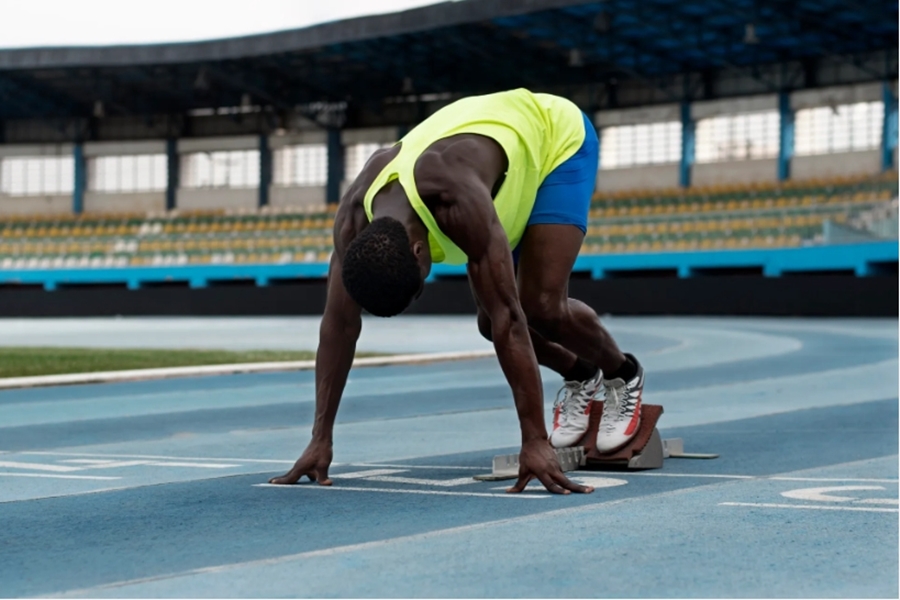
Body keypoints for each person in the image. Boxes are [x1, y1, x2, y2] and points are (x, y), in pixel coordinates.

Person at [270, 88, 644, 495]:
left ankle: (623, 375)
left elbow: (510, 319)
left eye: (418, 290)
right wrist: (320, 437)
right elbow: (338, 326)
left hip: (554, 140)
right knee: (486, 323)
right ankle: (580, 375)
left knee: (538, 307)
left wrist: (533, 441)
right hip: (487, 153)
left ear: (418, 251)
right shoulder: (353, 223)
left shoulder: (455, 201)